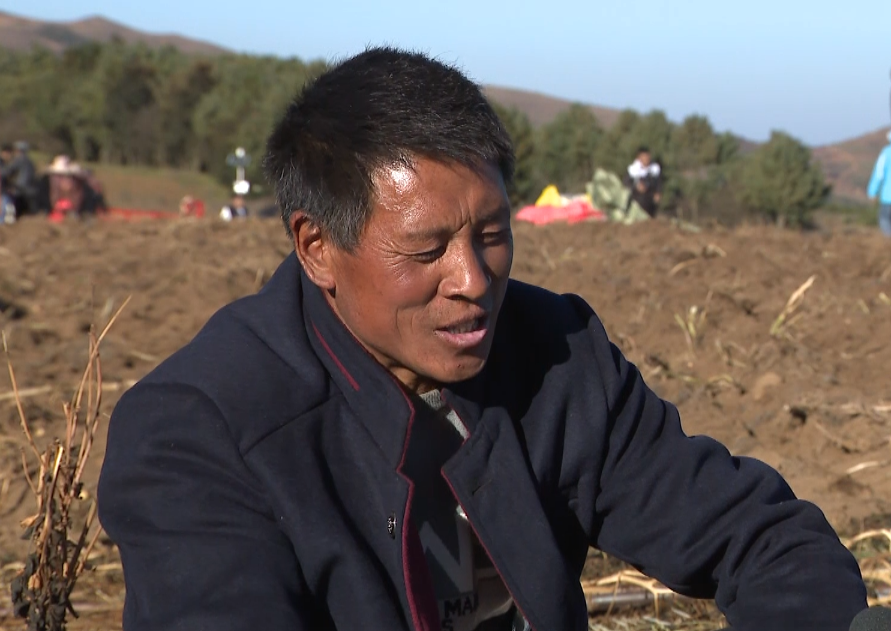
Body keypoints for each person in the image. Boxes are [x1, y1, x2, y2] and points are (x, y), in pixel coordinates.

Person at [98, 48, 867, 631]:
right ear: (317, 247)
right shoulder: (200, 431)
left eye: (492, 234)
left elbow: (762, 540)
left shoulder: (556, 354)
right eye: (426, 249)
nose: (472, 279)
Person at [623, 147, 663, 218]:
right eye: (644, 157)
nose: (646, 159)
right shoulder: (633, 170)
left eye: (647, 157)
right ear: (639, 158)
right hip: (636, 199)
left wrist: (658, 192)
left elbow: (658, 183)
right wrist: (636, 186)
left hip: (650, 198)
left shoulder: (655, 169)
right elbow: (626, 184)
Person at [0, 141, 37, 216]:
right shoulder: (29, 161)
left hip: (20, 188)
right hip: (30, 188)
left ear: (18, 150)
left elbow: (7, 171)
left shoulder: (19, 159)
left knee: (8, 200)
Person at [867, 129, 891, 236]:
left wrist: (872, 192)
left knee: (885, 221)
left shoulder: (885, 153)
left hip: (887, 198)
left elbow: (878, 174)